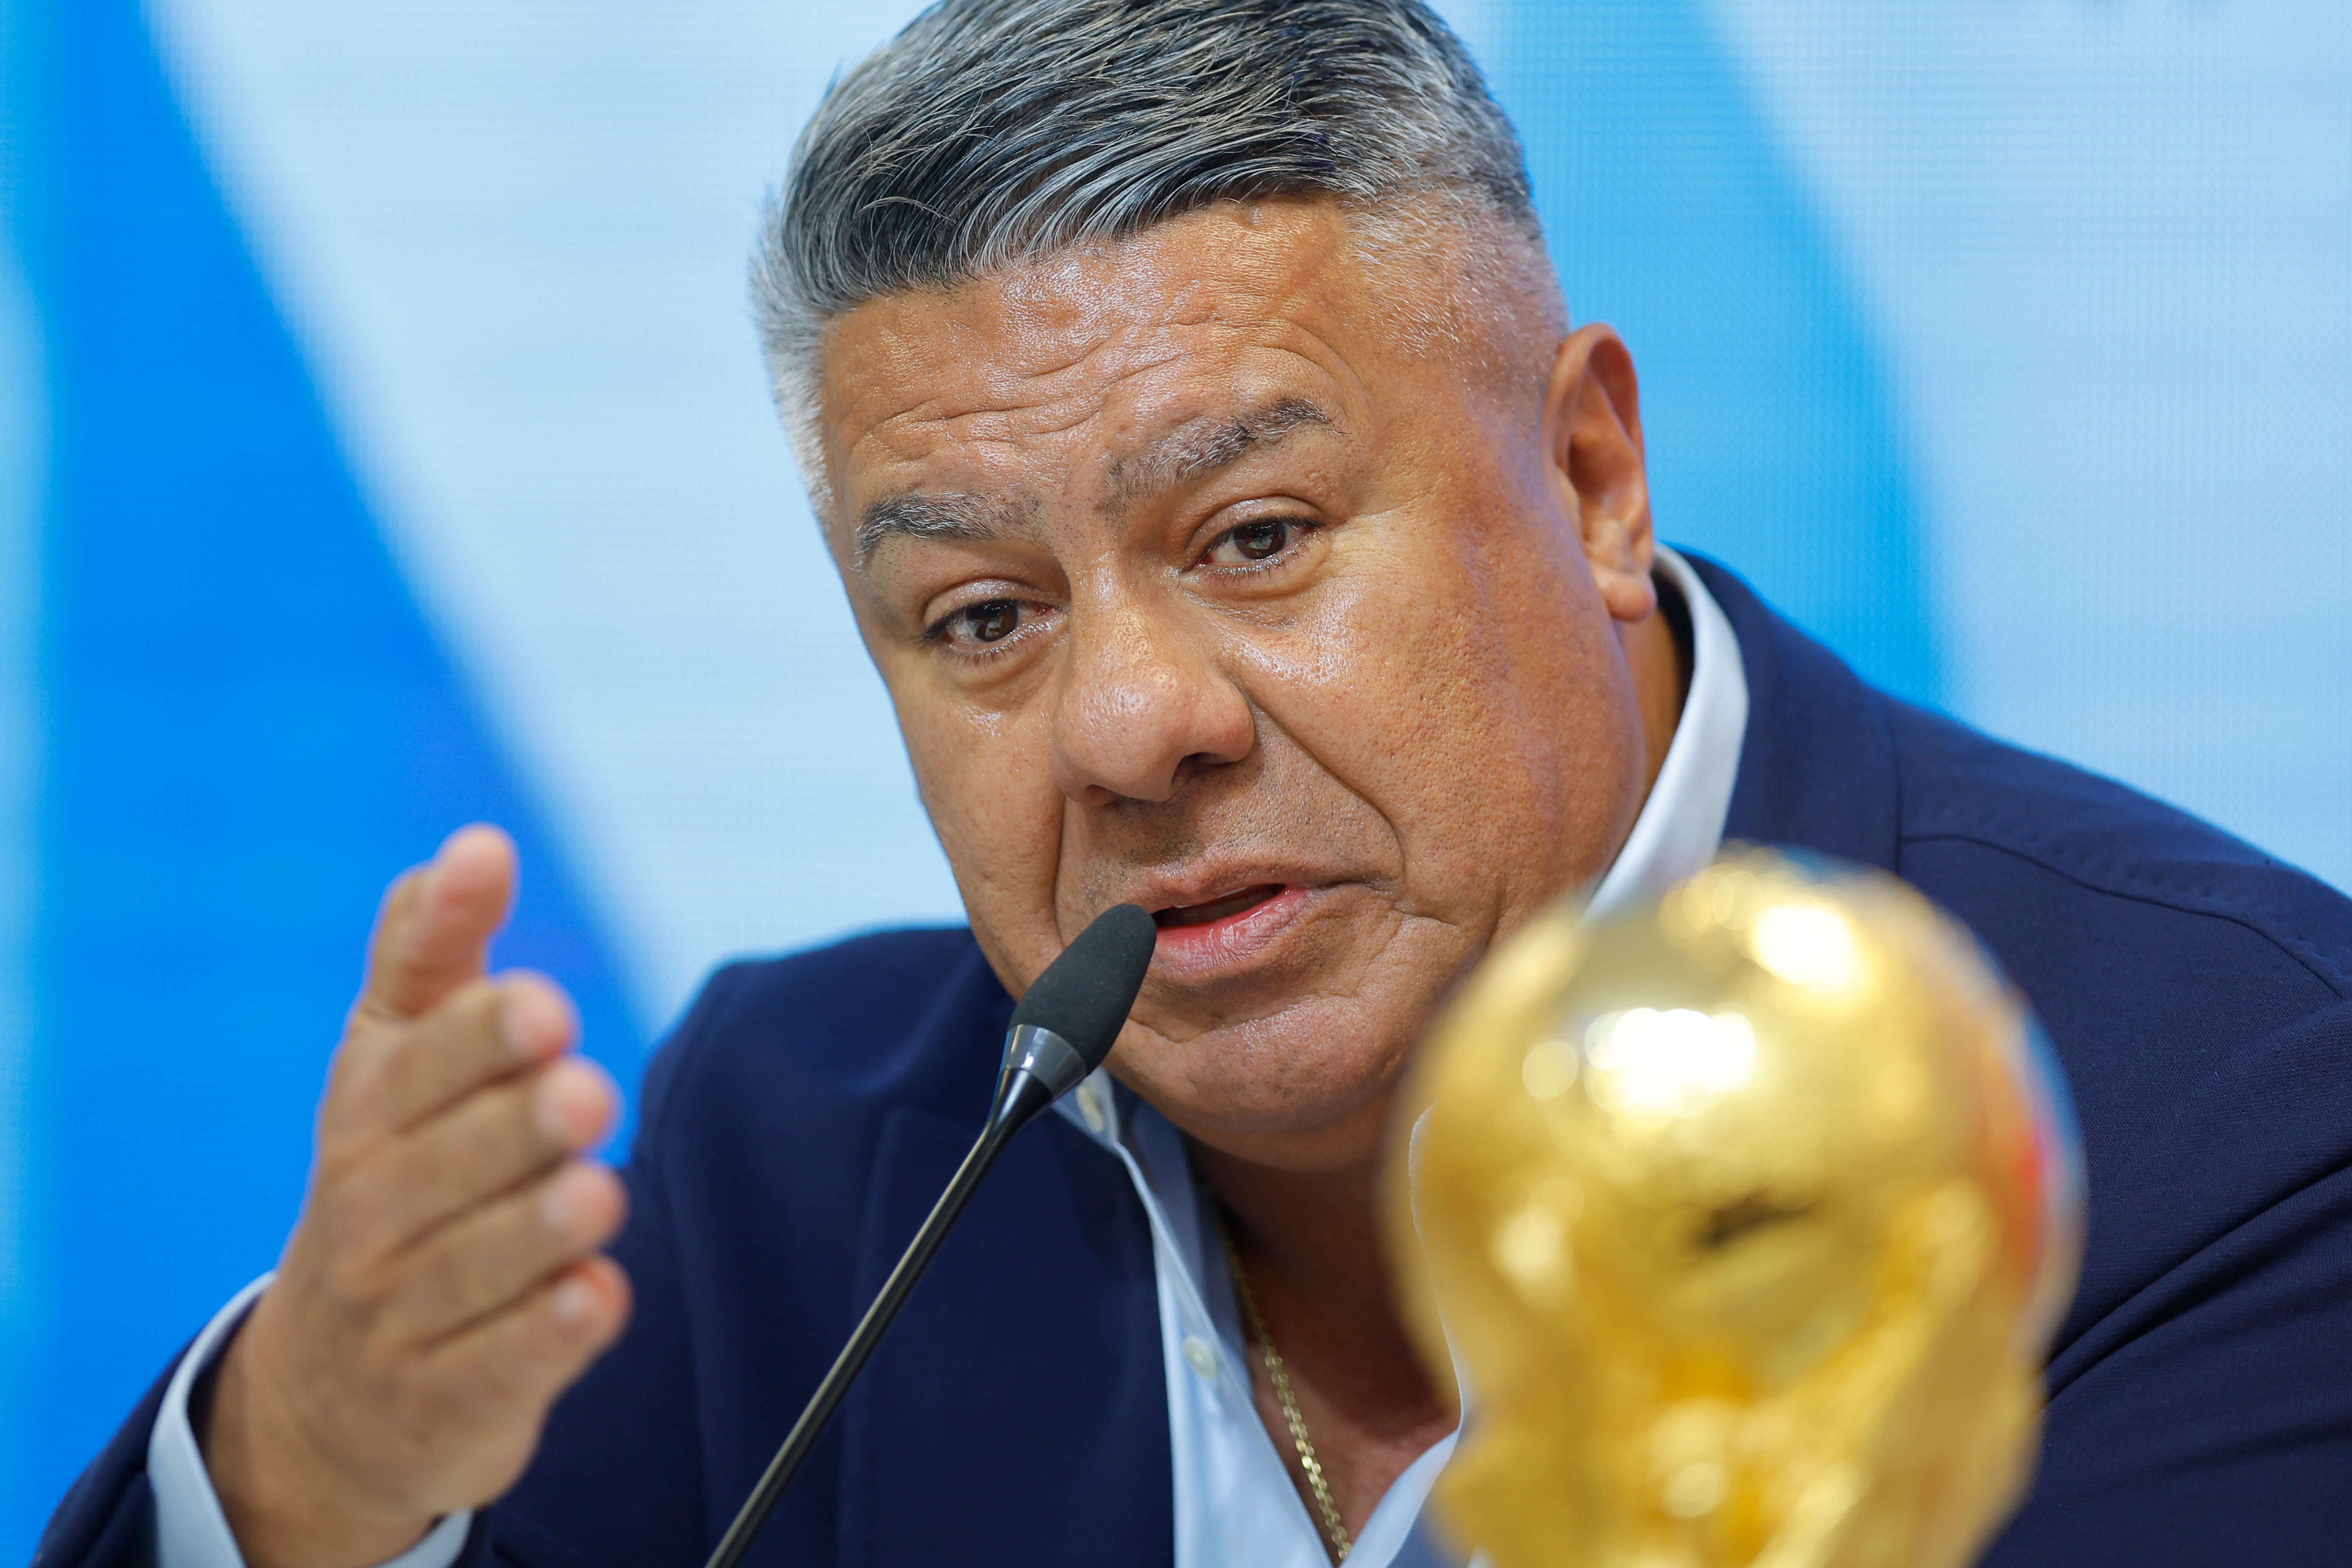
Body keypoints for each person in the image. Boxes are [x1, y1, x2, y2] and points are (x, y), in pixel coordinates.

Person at [38, 2, 2352, 1565]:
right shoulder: (794, 1169)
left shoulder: (2239, 1129)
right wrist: (307, 1476)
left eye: (1252, 540)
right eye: (982, 618)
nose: (1130, 729)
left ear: (1587, 472)